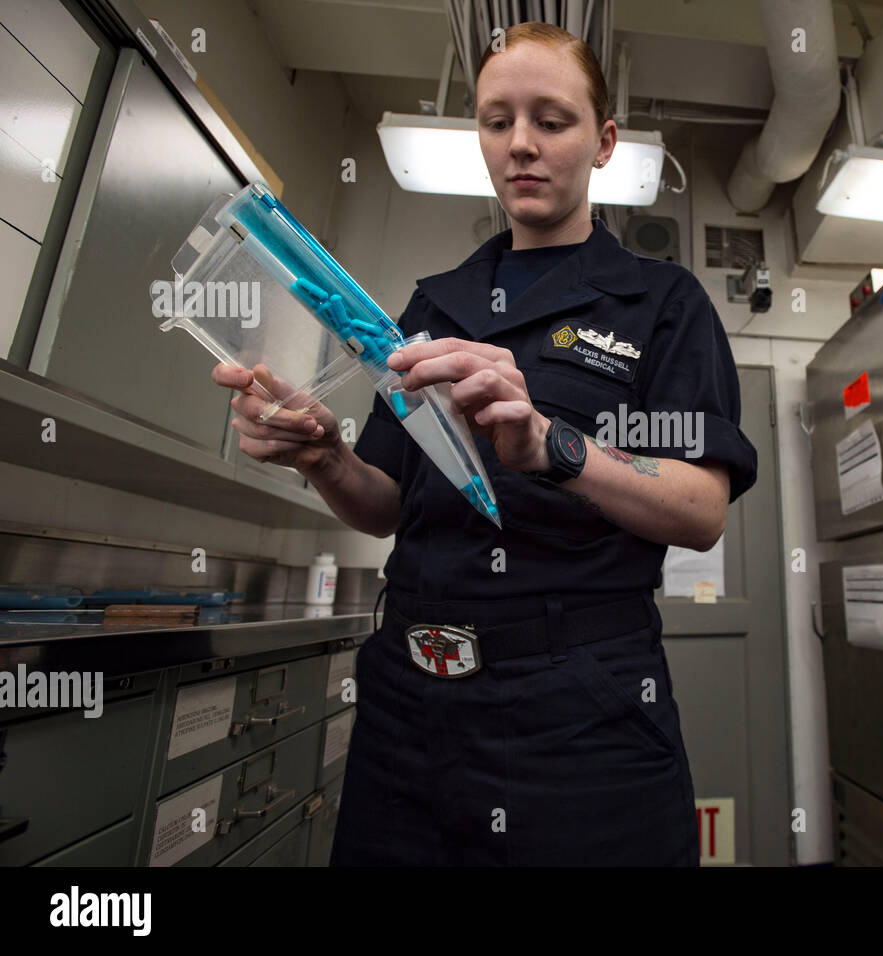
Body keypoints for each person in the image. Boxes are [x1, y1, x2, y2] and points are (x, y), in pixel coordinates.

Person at [213, 20, 757, 866]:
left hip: (580, 718)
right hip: (407, 704)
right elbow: (387, 502)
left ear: (605, 142)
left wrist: (552, 445)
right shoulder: (435, 304)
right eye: (497, 121)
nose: (521, 145)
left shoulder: (660, 304)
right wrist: (324, 457)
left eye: (553, 119)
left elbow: (701, 509)